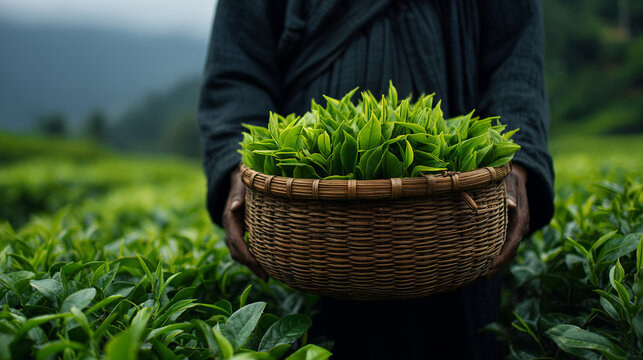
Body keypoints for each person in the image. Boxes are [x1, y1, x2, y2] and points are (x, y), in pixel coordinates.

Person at [198, 1, 554, 358]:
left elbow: (517, 57)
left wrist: (515, 161)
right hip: (309, 224)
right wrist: (239, 167)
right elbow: (237, 70)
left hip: (456, 216)